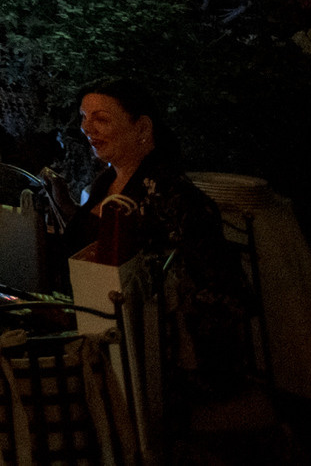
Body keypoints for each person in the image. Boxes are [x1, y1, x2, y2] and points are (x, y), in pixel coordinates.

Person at [63, 80, 251, 407]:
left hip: (154, 353)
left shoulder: (173, 198)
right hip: (98, 327)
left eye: (101, 119)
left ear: (143, 126)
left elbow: (212, 294)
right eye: (83, 116)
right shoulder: (106, 182)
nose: (87, 128)